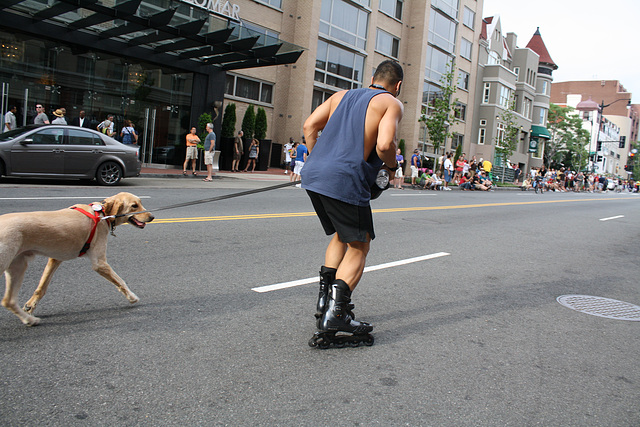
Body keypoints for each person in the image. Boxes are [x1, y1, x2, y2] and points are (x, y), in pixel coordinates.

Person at [302, 60, 403, 347]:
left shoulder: (340, 95)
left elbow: (310, 126)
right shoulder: (390, 103)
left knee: (342, 235)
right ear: (398, 86)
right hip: (345, 179)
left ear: (372, 78)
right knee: (360, 244)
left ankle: (325, 302)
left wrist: (317, 158)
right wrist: (393, 167)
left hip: (314, 175)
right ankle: (337, 314)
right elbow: (384, 145)